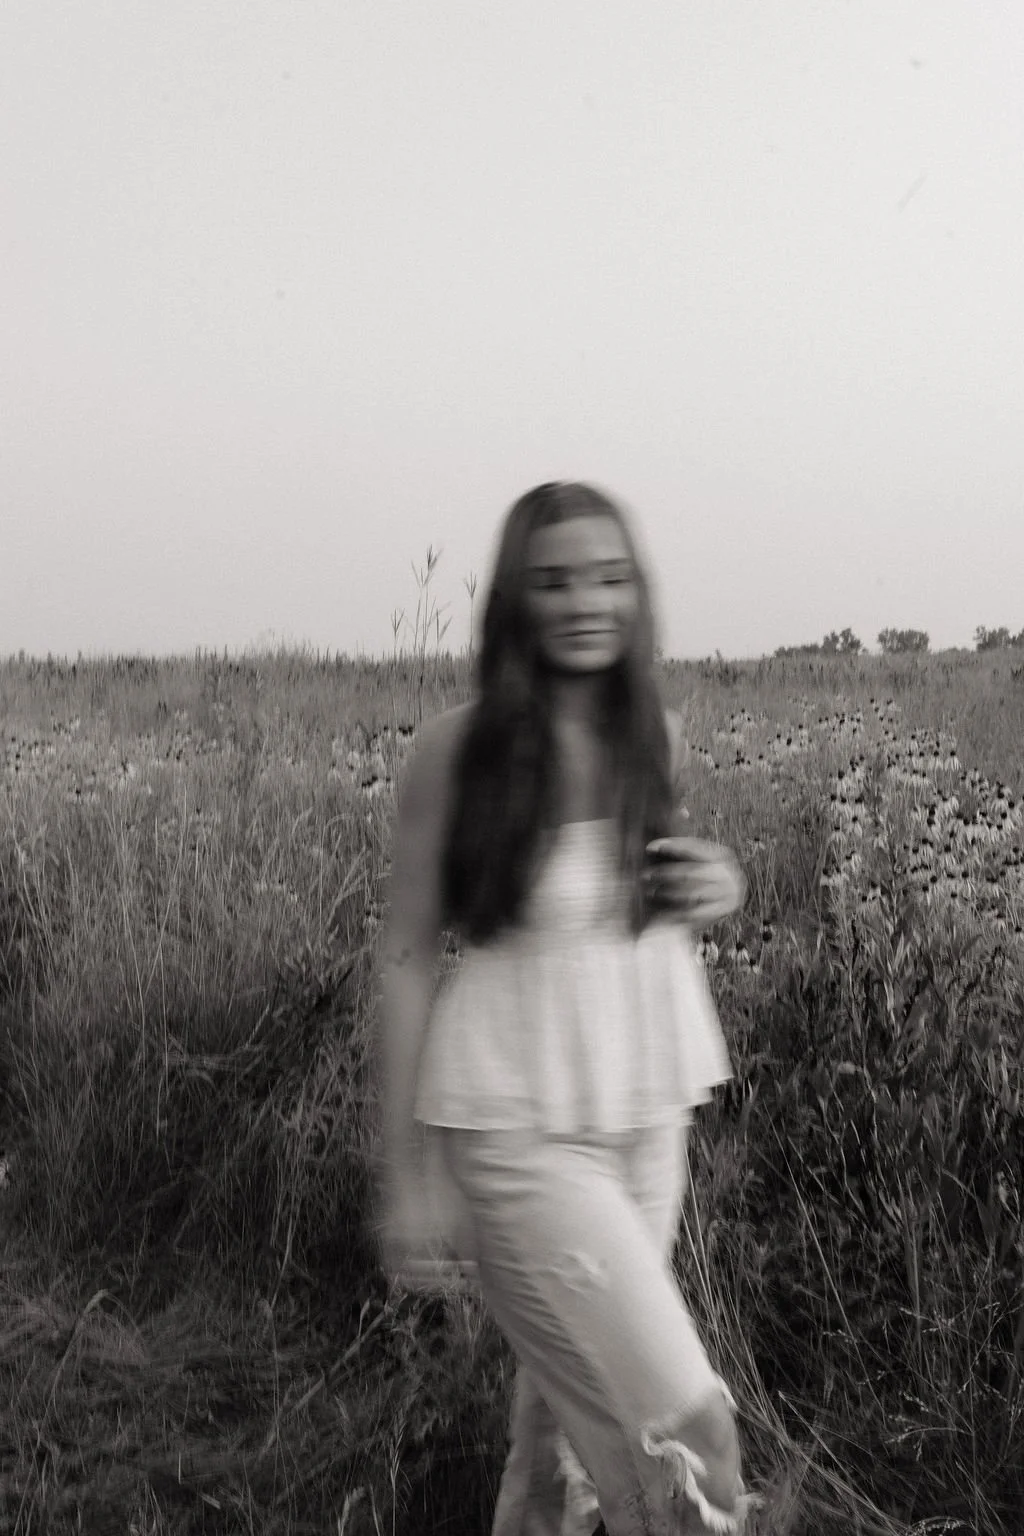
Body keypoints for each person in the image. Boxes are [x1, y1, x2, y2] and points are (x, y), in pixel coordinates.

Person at [374, 483, 758, 1534]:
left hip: (648, 1118)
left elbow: (627, 911)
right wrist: (405, 1176)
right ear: (513, 600)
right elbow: (406, 957)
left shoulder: (653, 734)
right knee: (690, 1445)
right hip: (516, 1136)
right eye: (553, 581)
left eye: (608, 576)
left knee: (560, 1443)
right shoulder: (454, 752)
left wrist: (717, 885)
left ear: (638, 590)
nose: (586, 602)